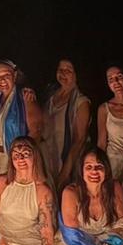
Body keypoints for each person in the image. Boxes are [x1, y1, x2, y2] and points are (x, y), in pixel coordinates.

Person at [0, 60, 42, 190]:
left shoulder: (24, 97)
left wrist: (25, 161)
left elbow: (36, 131)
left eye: (6, 75)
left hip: (13, 158)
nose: (2, 80)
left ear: (14, 76)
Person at [40, 58, 92, 188]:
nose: (63, 73)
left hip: (67, 163)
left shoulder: (81, 102)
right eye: (60, 69)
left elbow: (79, 140)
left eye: (68, 70)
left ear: (77, 74)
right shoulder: (49, 97)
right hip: (47, 158)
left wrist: (65, 173)